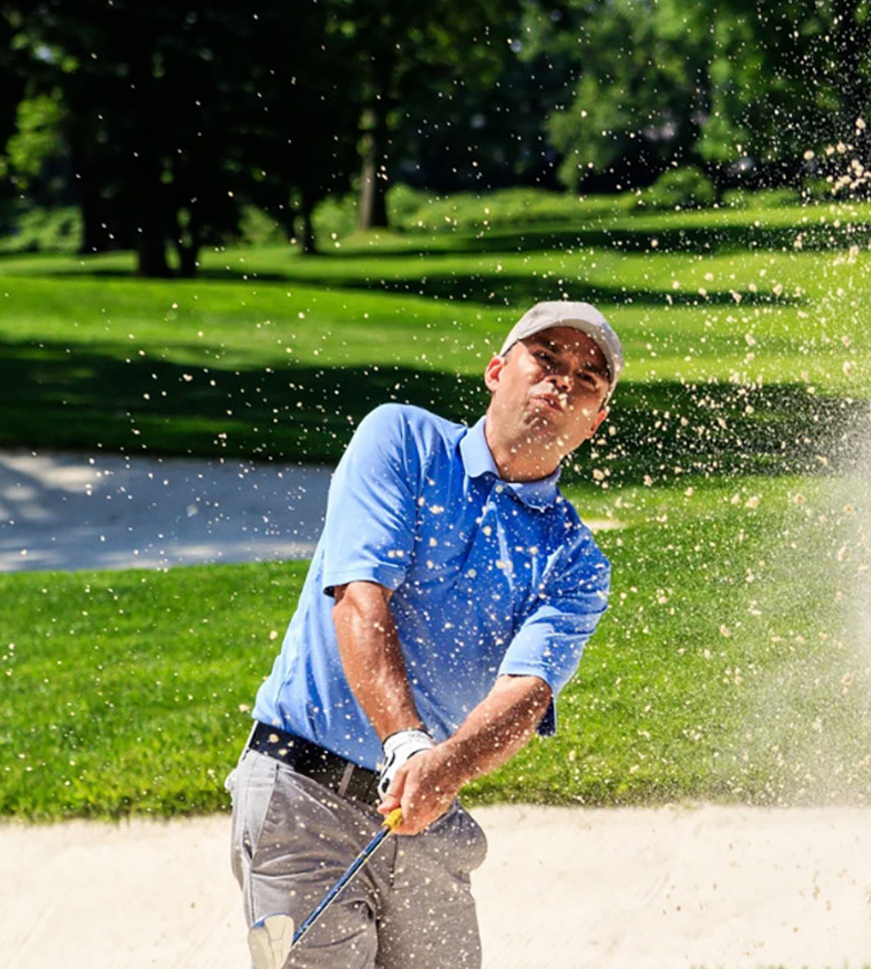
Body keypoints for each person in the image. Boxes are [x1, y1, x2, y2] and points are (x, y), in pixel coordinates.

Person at [227, 301, 622, 968]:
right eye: (546, 360)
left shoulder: (576, 559)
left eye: (587, 381)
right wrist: (408, 743)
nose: (562, 382)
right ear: (497, 371)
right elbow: (357, 596)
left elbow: (526, 693)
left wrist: (443, 770)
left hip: (426, 819)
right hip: (303, 797)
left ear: (596, 421)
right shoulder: (401, 440)